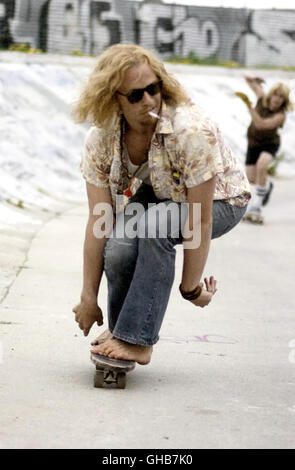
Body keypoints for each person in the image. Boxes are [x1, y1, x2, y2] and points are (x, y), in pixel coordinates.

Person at [72, 44, 251, 366]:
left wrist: (192, 289)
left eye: (153, 89)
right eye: (136, 95)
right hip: (163, 197)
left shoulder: (191, 131)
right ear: (114, 98)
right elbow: (99, 221)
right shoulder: (101, 139)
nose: (149, 100)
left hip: (221, 201)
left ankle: (137, 340)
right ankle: (121, 330)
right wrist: (88, 297)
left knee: (155, 226)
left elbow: (200, 219)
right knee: (120, 245)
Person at [235, 73, 293, 223]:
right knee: (252, 178)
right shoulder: (262, 96)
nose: (276, 99)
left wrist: (249, 106)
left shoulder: (281, 115)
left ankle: (257, 206)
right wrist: (255, 78)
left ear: (284, 101)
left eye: (281, 98)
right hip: (253, 143)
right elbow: (247, 78)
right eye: (275, 95)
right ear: (271, 94)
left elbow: (262, 124)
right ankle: (267, 185)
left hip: (269, 144)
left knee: (262, 165)